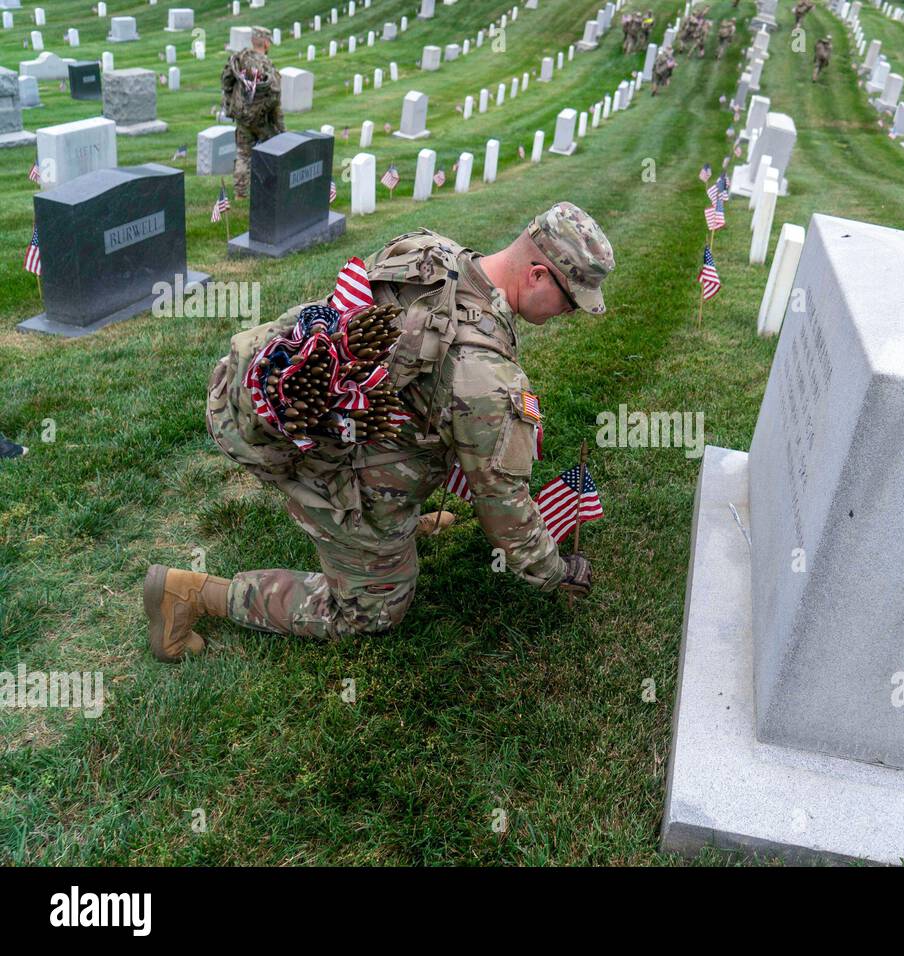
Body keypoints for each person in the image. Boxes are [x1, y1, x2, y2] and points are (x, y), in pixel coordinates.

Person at [143, 204, 615, 662]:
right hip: (311, 451)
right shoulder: (486, 380)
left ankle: (394, 522)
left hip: (255, 392)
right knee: (373, 615)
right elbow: (504, 511)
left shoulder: (430, 252)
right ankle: (192, 594)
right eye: (570, 300)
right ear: (536, 275)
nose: (569, 313)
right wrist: (556, 570)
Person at [221, 26, 285, 199]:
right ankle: (269, 189)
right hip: (262, 121)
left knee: (243, 154)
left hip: (242, 117)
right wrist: (281, 128)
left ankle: (240, 194)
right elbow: (275, 97)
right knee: (271, 153)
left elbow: (226, 80)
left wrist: (231, 103)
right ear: (265, 43)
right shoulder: (268, 66)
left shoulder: (238, 59)